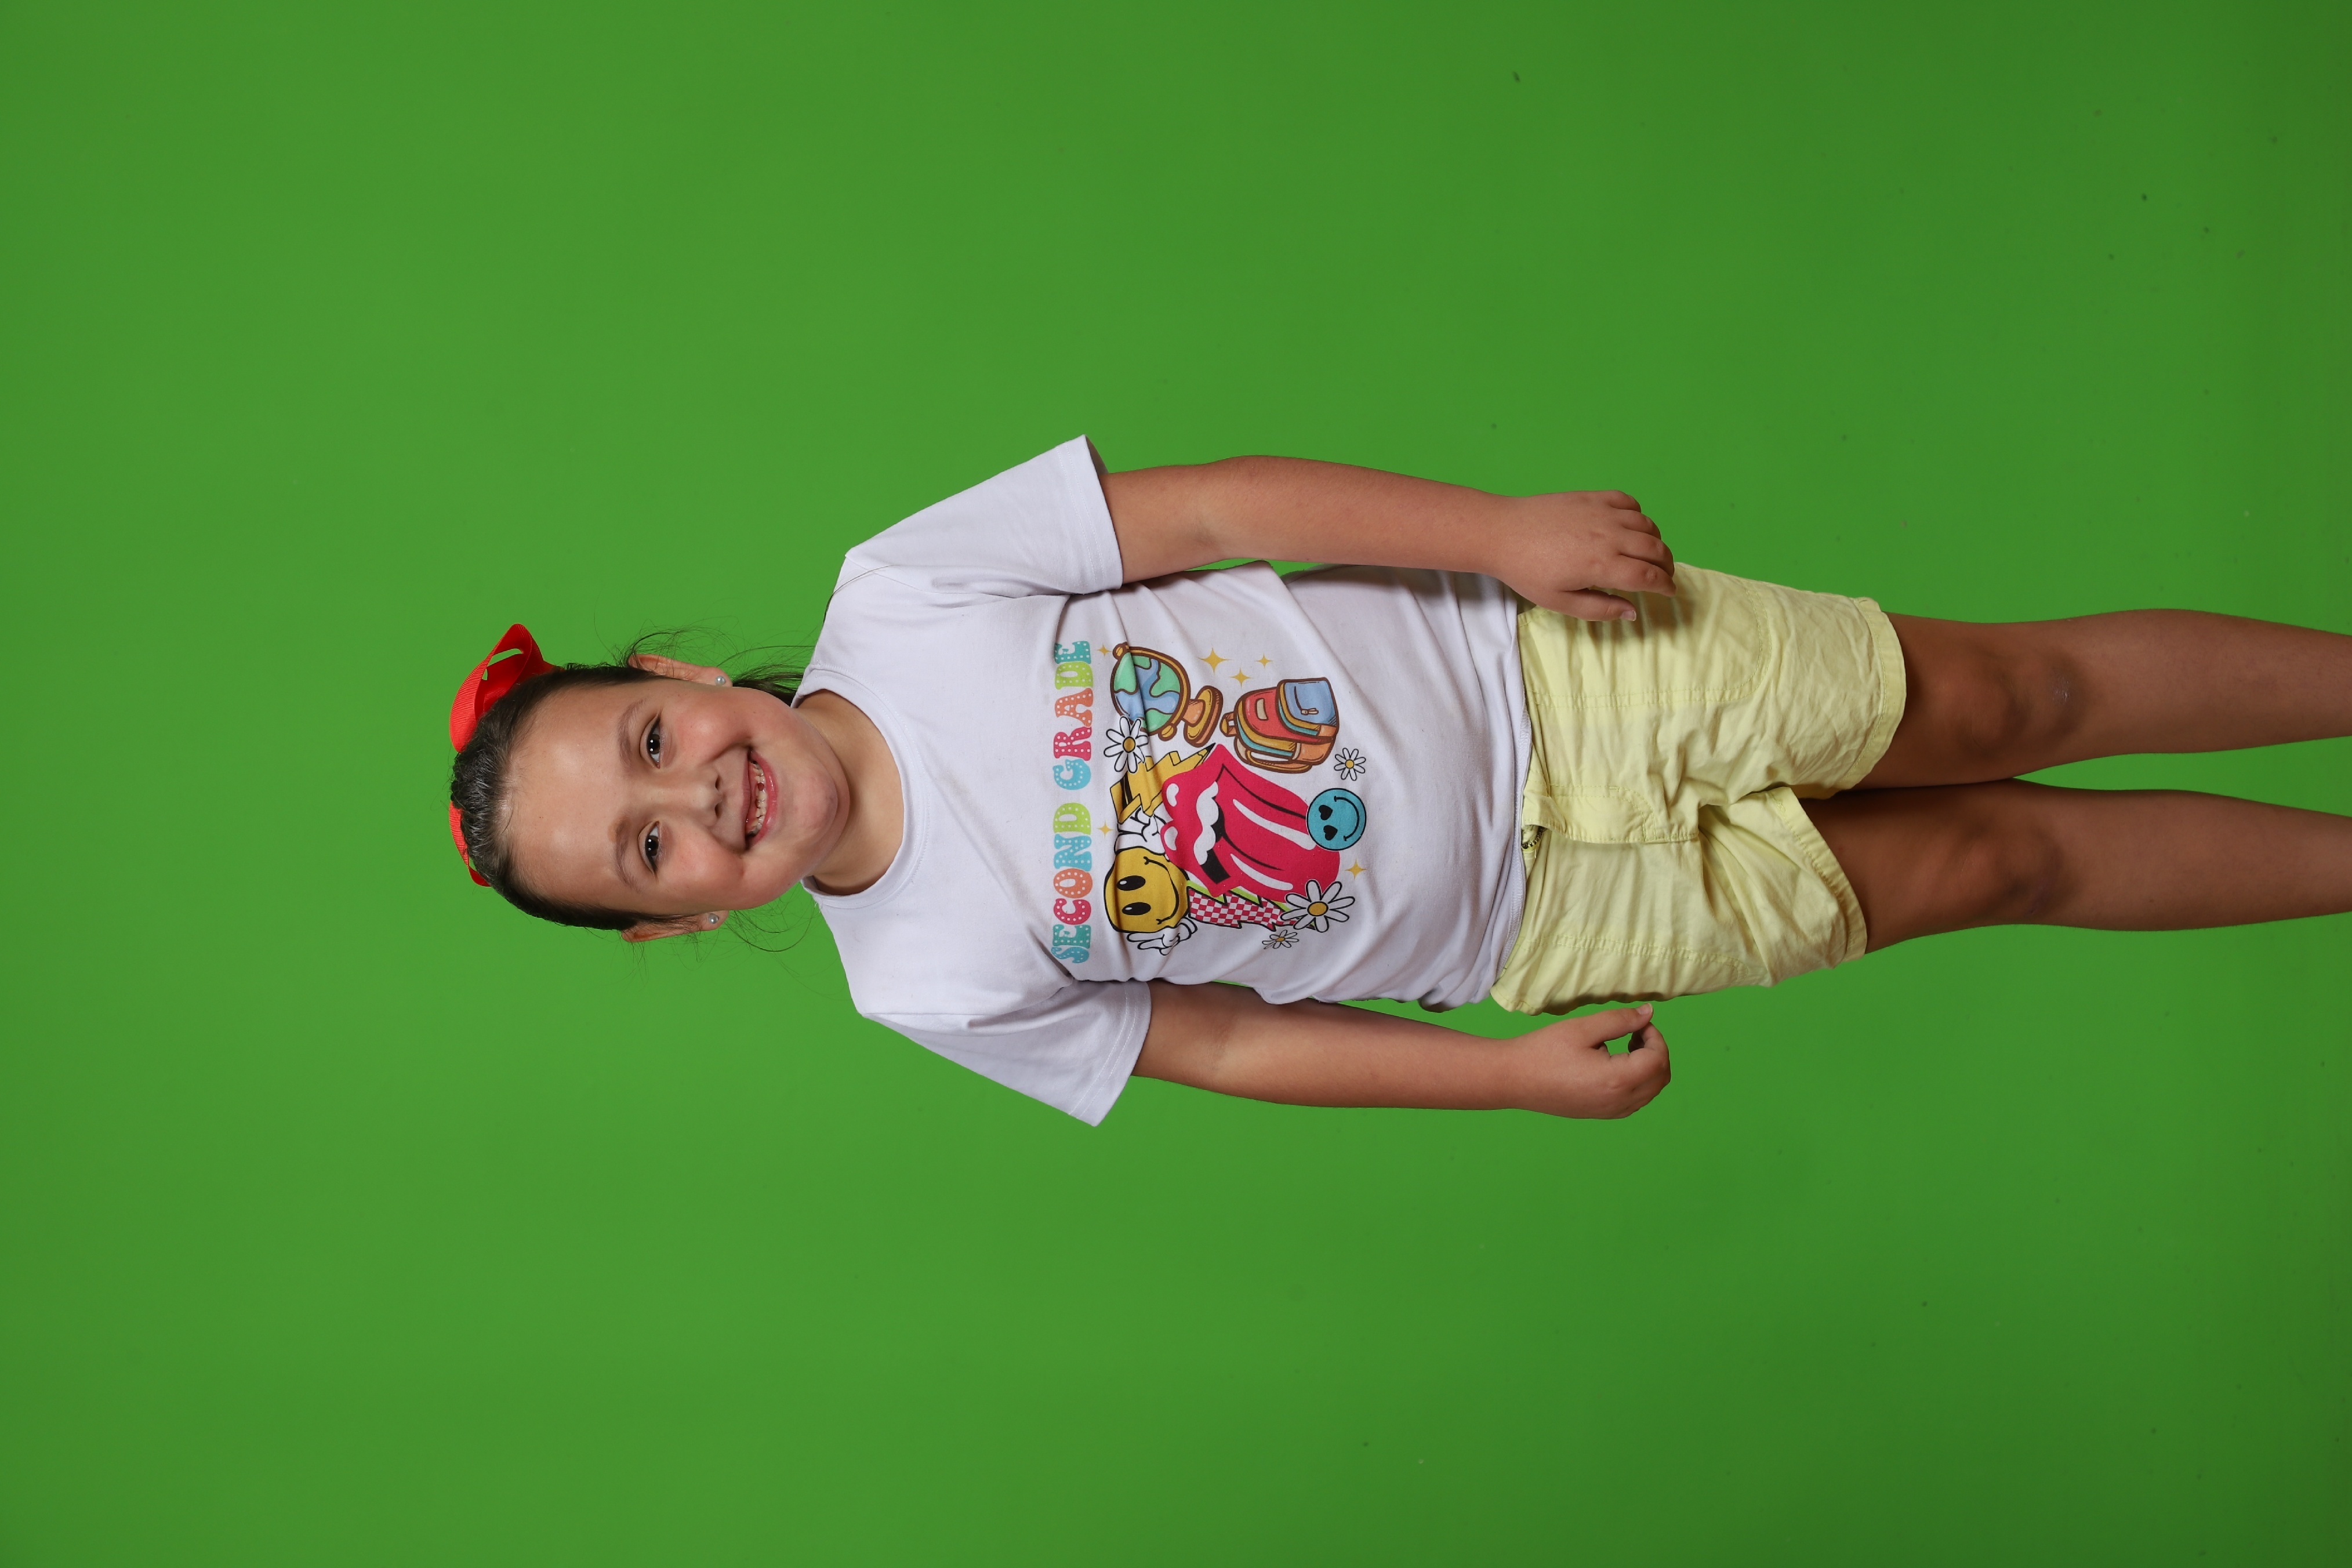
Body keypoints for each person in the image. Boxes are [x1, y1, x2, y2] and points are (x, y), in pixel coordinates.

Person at [445, 439, 2352, 1124]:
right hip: (1549, 925)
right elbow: (1225, 1045)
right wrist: (1501, 1076)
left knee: (2009, 696)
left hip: (1560, 676)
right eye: (648, 853)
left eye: (651, 746)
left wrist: (1498, 536)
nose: (702, 801)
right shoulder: (920, 982)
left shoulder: (907, 593)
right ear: (675, 923)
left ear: (679, 681)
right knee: (2000, 867)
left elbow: (1215, 510)